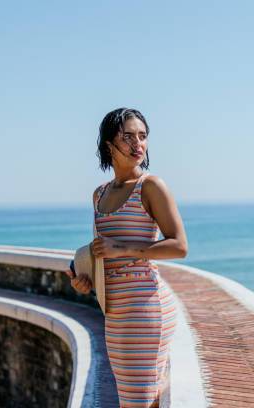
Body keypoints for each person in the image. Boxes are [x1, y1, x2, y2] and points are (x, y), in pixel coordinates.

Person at [65, 107, 188, 407]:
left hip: (145, 307)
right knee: (138, 399)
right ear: (109, 144)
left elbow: (179, 246)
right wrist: (86, 281)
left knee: (136, 402)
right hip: (115, 310)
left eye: (143, 136)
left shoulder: (151, 186)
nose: (138, 144)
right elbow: (103, 253)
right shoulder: (99, 194)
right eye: (128, 136)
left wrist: (123, 249)